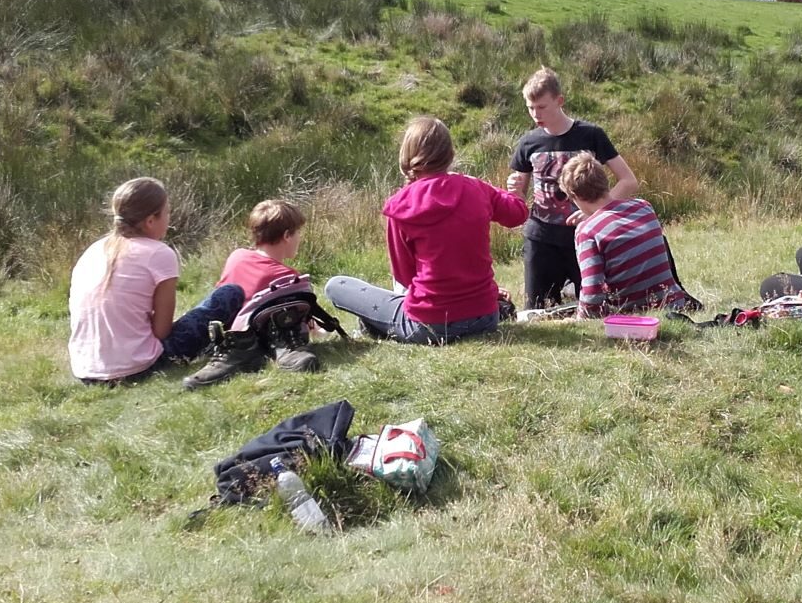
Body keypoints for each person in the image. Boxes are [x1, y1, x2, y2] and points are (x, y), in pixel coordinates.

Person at [326, 116, 528, 343]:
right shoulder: (475, 187)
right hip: (485, 316)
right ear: (450, 154)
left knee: (336, 285)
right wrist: (515, 193)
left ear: (408, 157)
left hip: (429, 325)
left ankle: (375, 324)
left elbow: (404, 275)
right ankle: (375, 325)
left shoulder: (400, 204)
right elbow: (516, 215)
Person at [68, 177, 245, 383]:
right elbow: (161, 331)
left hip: (85, 371)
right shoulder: (159, 254)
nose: (169, 219)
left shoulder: (94, 250)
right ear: (150, 220)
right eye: (167, 212)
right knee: (230, 293)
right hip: (137, 368)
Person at [507, 66, 638, 310]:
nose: (535, 114)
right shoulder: (527, 143)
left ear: (560, 101)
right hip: (540, 240)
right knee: (537, 310)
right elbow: (517, 201)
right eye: (530, 107)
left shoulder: (591, 135)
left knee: (597, 309)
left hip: (587, 237)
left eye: (542, 107)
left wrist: (596, 212)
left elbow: (628, 181)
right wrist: (513, 190)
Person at [185, 199, 319, 387]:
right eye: (298, 233)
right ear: (287, 235)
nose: (299, 238)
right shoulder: (288, 278)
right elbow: (309, 328)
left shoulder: (236, 257)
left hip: (224, 335)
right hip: (262, 336)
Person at [558, 153, 697, 319]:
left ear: (576, 196)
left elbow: (592, 292)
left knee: (568, 290)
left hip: (631, 313)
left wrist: (579, 319)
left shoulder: (587, 231)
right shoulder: (643, 207)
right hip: (673, 304)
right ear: (604, 182)